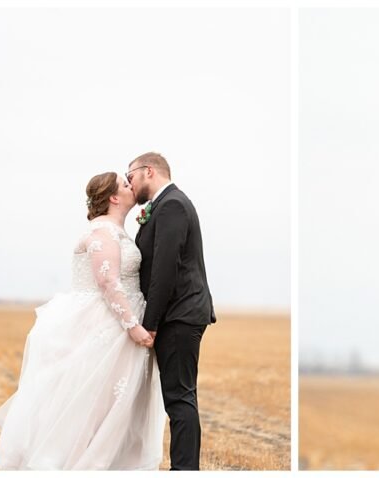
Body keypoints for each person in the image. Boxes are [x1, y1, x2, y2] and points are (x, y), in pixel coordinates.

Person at [0, 172, 165, 470]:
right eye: (125, 184)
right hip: (105, 325)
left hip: (118, 326)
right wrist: (133, 327)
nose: (131, 186)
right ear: (113, 197)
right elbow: (108, 282)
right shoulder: (102, 232)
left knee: (116, 405)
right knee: (92, 402)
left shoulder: (117, 231)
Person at [126, 152, 216, 470]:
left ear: (148, 171)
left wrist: (149, 324)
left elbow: (165, 269)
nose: (128, 184)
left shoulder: (172, 205)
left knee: (179, 399)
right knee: (178, 398)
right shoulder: (164, 206)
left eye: (131, 176)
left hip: (180, 314)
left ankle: (185, 470)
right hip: (178, 313)